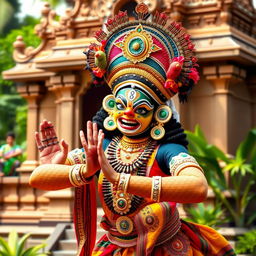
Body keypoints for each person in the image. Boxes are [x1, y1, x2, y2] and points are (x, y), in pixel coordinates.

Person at [29, 3, 236, 256]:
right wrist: (81, 169)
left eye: (140, 109)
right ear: (111, 107)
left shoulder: (165, 150)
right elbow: (37, 178)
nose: (128, 114)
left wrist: (121, 180)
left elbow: (198, 188)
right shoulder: (104, 147)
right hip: (114, 247)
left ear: (158, 113)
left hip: (163, 248)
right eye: (122, 106)